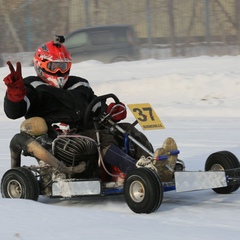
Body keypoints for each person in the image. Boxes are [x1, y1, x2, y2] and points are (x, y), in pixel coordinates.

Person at [3, 36, 157, 178]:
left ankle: (154, 163)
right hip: (58, 141)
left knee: (126, 129)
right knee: (101, 139)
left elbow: (95, 106)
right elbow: (14, 111)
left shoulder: (79, 84)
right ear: (40, 65)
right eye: (54, 66)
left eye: (63, 66)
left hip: (86, 131)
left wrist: (110, 111)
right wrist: (14, 95)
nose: (59, 71)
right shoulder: (32, 87)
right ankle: (136, 172)